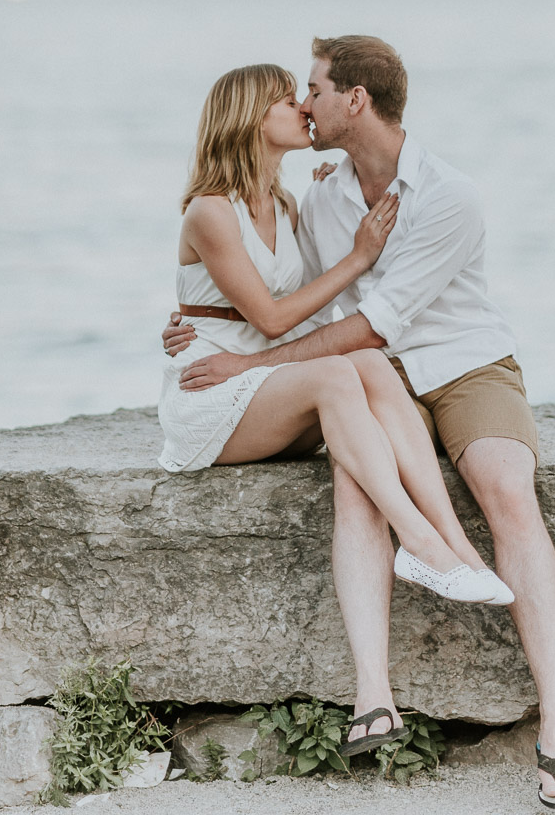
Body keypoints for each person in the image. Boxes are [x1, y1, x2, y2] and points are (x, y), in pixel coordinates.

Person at [164, 37, 555, 810]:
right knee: (356, 479)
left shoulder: (448, 195)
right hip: (372, 373)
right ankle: (373, 695)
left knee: (506, 489)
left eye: (316, 89)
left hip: (462, 363)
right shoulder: (318, 194)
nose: (305, 103)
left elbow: (373, 323)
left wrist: (247, 359)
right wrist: (201, 328)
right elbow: (261, 296)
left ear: (353, 100)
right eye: (296, 93)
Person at [158, 64, 515, 700]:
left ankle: (456, 550)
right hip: (212, 398)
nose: (301, 106)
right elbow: (268, 319)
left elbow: (300, 304)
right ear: (248, 118)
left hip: (267, 392)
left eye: (305, 94)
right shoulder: (211, 212)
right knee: (335, 373)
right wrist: (359, 257)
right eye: (284, 99)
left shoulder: (293, 201)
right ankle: (421, 541)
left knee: (371, 363)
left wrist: (332, 190)